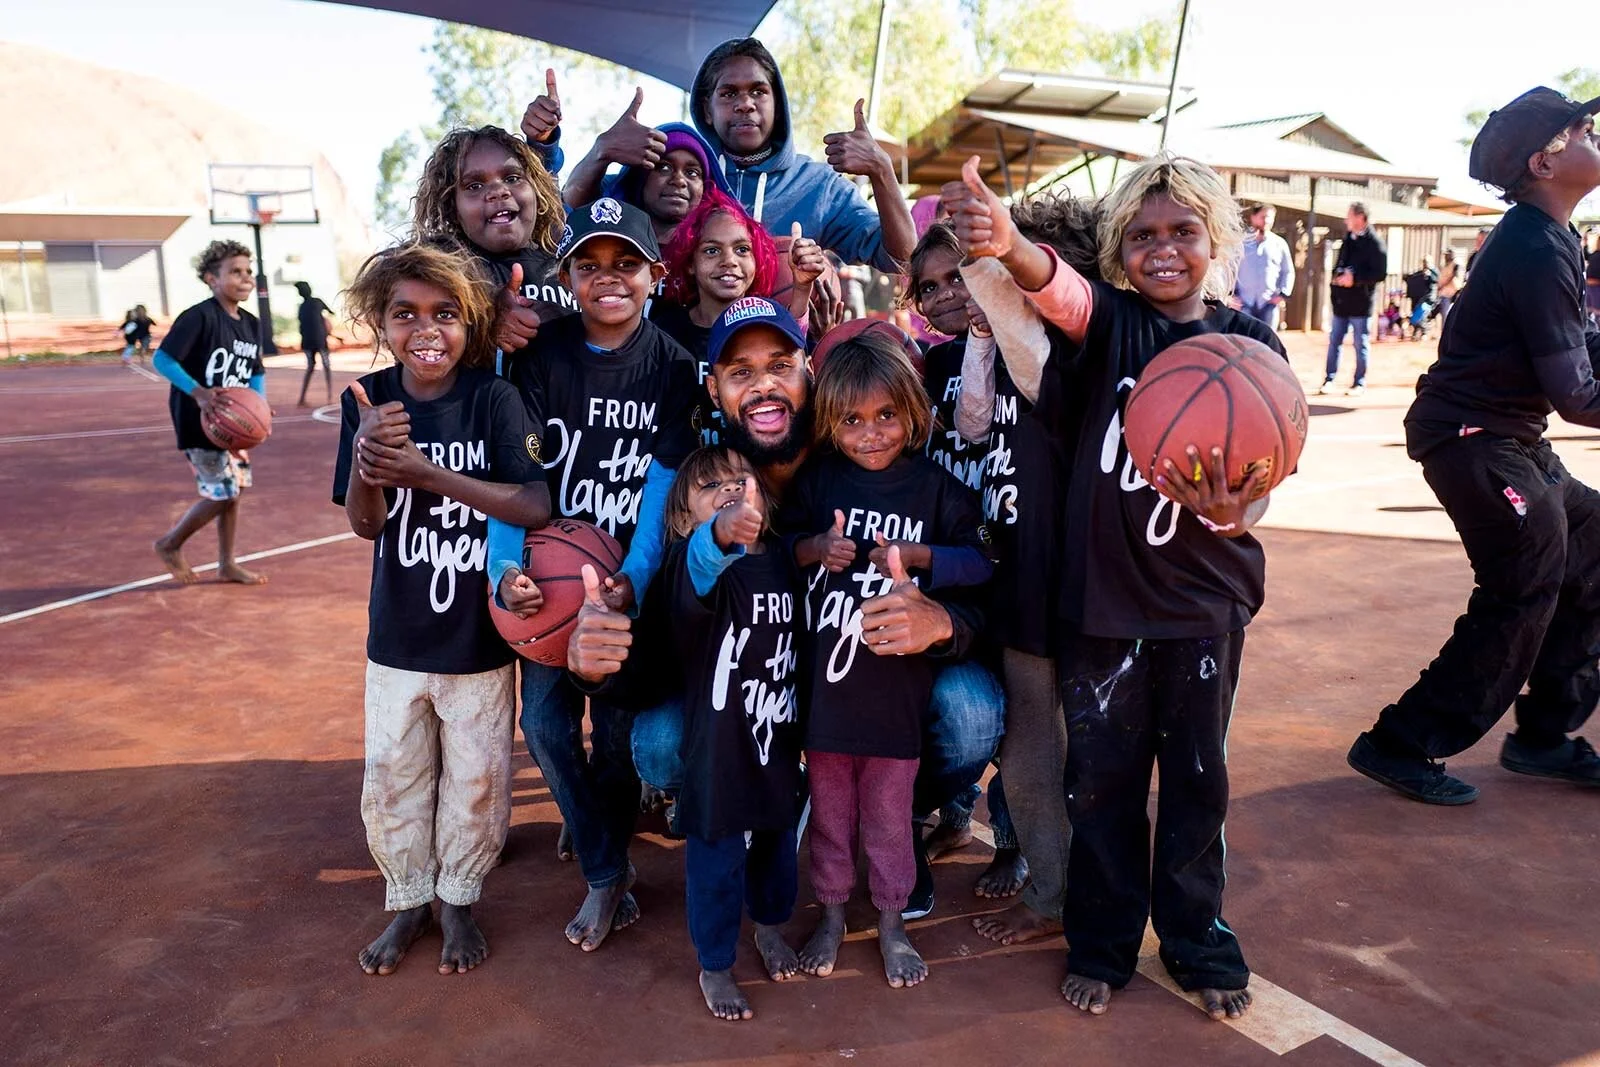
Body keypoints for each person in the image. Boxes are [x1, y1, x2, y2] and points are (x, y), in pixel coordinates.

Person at [948, 151, 1285, 1021]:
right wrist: (1008, 240)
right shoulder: (1115, 326)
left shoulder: (1251, 344)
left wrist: (1237, 514)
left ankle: (1197, 939)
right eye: (1141, 235)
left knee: (1198, 783)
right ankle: (1102, 942)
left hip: (1205, 604)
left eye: (1182, 232)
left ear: (1219, 239)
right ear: (1118, 249)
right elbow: (1057, 287)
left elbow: (1263, 480)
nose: (1162, 249)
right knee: (1099, 787)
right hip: (1103, 607)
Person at [574, 298, 1005, 922]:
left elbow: (986, 583)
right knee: (662, 742)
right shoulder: (708, 479)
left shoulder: (870, 451)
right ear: (715, 388)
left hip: (872, 683)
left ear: (810, 374)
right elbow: (673, 622)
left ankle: (901, 806)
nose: (764, 385)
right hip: (765, 685)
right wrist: (597, 669)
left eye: (780, 364)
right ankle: (773, 797)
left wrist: (943, 625)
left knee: (969, 712)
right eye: (740, 372)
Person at [1347, 87, 1600, 804]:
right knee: (1526, 582)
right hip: (1475, 441)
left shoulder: (1547, 236)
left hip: (1509, 438)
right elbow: (1578, 394)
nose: (1592, 133)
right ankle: (1401, 740)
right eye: (1581, 129)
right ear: (1542, 163)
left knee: (1594, 546)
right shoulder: (1532, 245)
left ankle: (1543, 736)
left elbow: (1574, 351)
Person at [333, 239, 551, 977]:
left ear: (474, 322)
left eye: (446, 313)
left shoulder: (493, 397)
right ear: (380, 321)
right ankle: (406, 899)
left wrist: (431, 473)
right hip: (396, 637)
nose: (426, 327)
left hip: (476, 638)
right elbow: (366, 523)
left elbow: (532, 500)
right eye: (405, 313)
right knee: (394, 772)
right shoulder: (365, 400)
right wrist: (369, 459)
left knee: (476, 774)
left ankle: (458, 895)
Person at [487, 197, 701, 950]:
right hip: (550, 585)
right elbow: (515, 476)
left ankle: (604, 862)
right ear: (569, 275)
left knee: (613, 736)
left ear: (655, 274)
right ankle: (608, 868)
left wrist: (633, 578)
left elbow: (659, 492)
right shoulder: (539, 357)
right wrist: (505, 564)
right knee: (544, 726)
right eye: (589, 264)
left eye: (625, 264)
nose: (607, 278)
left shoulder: (676, 370)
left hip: (620, 587)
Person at [785, 328, 993, 989]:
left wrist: (926, 556)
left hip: (896, 703)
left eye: (886, 416)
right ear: (829, 420)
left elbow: (985, 561)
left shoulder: (936, 490)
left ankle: (894, 919)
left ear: (913, 411)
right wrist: (816, 547)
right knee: (831, 815)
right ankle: (831, 912)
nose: (870, 432)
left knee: (886, 816)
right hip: (828, 704)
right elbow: (777, 548)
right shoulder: (818, 482)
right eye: (851, 419)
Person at [952, 189, 1104, 946]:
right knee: (1028, 746)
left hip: (1076, 584)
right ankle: (1049, 885)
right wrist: (978, 336)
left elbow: (1028, 346)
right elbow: (972, 423)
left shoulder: (1074, 354)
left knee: (1087, 751)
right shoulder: (1004, 347)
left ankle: (1083, 889)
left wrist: (995, 271)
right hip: (1015, 571)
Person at [650, 445, 803, 1021]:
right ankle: (714, 961)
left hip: (776, 739)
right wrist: (718, 534)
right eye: (711, 488)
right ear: (684, 519)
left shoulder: (783, 558)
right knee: (716, 862)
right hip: (718, 751)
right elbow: (700, 564)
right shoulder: (692, 568)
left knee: (776, 849)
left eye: (740, 480)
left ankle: (768, 927)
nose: (731, 490)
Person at [903, 222, 1024, 896]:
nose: (947, 294)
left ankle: (1011, 839)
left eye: (957, 275)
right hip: (955, 569)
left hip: (1015, 562)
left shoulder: (1021, 347)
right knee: (961, 706)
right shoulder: (928, 366)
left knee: (1026, 715)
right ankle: (944, 811)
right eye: (930, 287)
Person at [689, 38, 916, 273]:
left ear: (778, 106)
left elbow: (904, 259)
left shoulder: (818, 186)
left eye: (759, 91)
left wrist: (881, 170)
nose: (745, 103)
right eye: (728, 93)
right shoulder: (686, 178)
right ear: (707, 110)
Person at [655, 187, 824, 445]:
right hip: (683, 470)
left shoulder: (768, 320)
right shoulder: (665, 330)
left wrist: (801, 289)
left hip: (755, 466)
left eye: (742, 249)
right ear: (690, 262)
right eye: (712, 250)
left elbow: (790, 348)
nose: (729, 261)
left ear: (758, 261)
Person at [151, 240, 269, 587]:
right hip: (199, 421)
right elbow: (162, 359)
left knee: (235, 492)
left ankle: (227, 563)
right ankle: (170, 543)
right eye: (235, 272)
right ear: (211, 279)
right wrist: (198, 392)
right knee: (224, 493)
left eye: (249, 271)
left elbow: (256, 371)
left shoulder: (249, 323)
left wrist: (258, 404)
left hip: (234, 424)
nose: (245, 278)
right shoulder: (199, 317)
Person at [410, 125, 575, 356]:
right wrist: (486, 319)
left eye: (512, 178)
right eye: (474, 186)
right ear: (453, 208)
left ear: (537, 190)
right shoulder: (446, 269)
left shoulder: (570, 264)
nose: (498, 191)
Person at [1322, 203, 1387, 396]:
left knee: (1360, 343)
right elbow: (1338, 265)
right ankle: (1329, 379)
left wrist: (1356, 279)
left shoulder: (1375, 243)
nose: (1345, 220)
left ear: (1361, 218)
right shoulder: (1348, 240)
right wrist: (1339, 275)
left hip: (1361, 304)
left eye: (1349, 216)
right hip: (1342, 303)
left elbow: (1380, 273)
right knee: (1335, 341)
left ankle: (1359, 382)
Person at [1231, 203, 1295, 328]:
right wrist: (1231, 296)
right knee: (1244, 342)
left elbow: (1288, 271)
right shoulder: (1240, 242)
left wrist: (1283, 294)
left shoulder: (1279, 244)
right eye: (1263, 216)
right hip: (1244, 303)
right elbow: (1229, 269)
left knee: (1269, 343)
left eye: (1270, 217)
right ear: (1253, 217)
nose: (1266, 221)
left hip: (1268, 303)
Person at [294, 281, 337, 407]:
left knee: (310, 367)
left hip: (307, 341)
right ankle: (330, 396)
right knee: (326, 366)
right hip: (320, 340)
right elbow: (331, 312)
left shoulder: (301, 307)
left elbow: (301, 327)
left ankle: (302, 398)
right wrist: (325, 323)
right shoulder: (317, 302)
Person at [1403, 256, 1439, 341]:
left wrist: (1429, 275)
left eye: (1427, 262)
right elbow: (1413, 277)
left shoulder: (1434, 272)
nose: (1425, 264)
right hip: (1418, 298)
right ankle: (1416, 332)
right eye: (1424, 262)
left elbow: (1436, 280)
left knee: (1421, 315)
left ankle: (1425, 331)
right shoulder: (1420, 273)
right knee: (1416, 314)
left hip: (1429, 299)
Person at [1433, 249, 1462, 326]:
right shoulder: (1445, 265)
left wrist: (1444, 286)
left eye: (1447, 255)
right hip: (1443, 294)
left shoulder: (1455, 265)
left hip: (1451, 293)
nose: (1445, 256)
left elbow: (1455, 277)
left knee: (1447, 315)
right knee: (1442, 315)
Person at [1586, 229, 1600, 323]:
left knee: (1595, 312)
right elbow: (1585, 255)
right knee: (1590, 311)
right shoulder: (1595, 254)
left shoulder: (1595, 254)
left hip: (1593, 285)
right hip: (1591, 285)